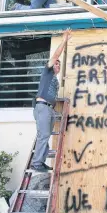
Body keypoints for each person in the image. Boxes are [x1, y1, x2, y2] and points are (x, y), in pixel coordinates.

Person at [31, 28, 72, 172]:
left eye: (59, 64)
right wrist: (64, 40)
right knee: (44, 136)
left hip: (49, 108)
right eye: (56, 63)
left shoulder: (54, 78)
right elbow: (56, 55)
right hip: (42, 107)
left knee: (46, 135)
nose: (58, 65)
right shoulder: (47, 72)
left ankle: (40, 162)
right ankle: (36, 164)